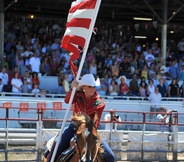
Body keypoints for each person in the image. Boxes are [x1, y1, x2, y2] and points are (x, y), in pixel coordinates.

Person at [47, 74, 115, 162]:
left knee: (110, 156)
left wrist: (92, 130)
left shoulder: (100, 104)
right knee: (57, 148)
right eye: (90, 86)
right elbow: (67, 100)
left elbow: (96, 121)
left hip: (91, 130)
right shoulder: (77, 95)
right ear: (83, 87)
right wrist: (72, 88)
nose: (93, 89)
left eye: (94, 86)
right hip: (74, 127)